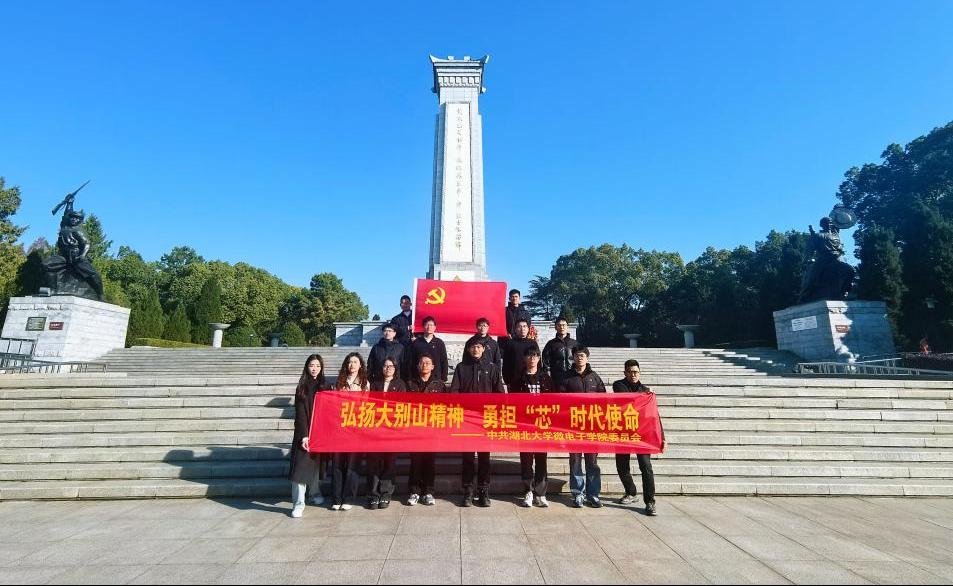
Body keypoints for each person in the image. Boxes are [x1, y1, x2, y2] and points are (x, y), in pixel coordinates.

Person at [449, 339, 505, 507]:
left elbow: (499, 393)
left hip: (485, 419)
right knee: (467, 457)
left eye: (479, 347)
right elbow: (454, 391)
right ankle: (468, 491)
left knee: (484, 458)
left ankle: (483, 491)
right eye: (472, 347)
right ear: (468, 349)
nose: (476, 349)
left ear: (483, 349)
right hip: (467, 419)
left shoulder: (492, 368)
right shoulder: (461, 368)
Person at [558, 346, 607, 508]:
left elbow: (604, 400)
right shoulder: (566, 377)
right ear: (573, 357)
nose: (580, 358)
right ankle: (578, 493)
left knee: (592, 462)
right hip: (574, 426)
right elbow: (560, 400)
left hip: (592, 426)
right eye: (577, 355)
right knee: (575, 461)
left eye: (583, 355)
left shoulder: (595, 377)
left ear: (587, 358)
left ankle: (593, 495)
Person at [612, 359, 658, 516]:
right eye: (630, 372)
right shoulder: (619, 385)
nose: (633, 374)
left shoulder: (646, 392)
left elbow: (654, 415)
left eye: (636, 372)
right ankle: (631, 492)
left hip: (642, 435)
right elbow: (626, 397)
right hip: (623, 432)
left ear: (640, 373)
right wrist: (645, 395)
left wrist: (662, 437)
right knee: (622, 465)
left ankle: (650, 502)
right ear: (625, 373)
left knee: (646, 467)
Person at [511, 346, 553, 508]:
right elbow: (513, 402)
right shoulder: (518, 379)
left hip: (542, 423)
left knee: (541, 459)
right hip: (525, 424)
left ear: (539, 358)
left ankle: (541, 493)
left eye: (535, 356)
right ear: (524, 358)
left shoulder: (546, 378)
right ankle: (528, 490)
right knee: (526, 459)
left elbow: (554, 400)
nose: (532, 359)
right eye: (529, 356)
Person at [288, 354, 330, 518]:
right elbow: (300, 414)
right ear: (307, 367)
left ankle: (314, 493)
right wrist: (304, 436)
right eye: (312, 365)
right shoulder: (302, 387)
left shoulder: (325, 385)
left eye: (318, 366)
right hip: (304, 434)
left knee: (316, 467)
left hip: (320, 434)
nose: (315, 369)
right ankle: (298, 503)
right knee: (300, 470)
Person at [329, 352, 369, 511]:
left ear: (360, 365)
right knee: (337, 464)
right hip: (339, 428)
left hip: (355, 429)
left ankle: (348, 498)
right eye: (350, 362)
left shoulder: (364, 383)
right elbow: (333, 404)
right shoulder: (339, 382)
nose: (352, 365)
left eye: (355, 362)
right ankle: (336, 498)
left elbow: (366, 406)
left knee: (353, 465)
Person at [366, 357, 406, 510]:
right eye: (385, 365)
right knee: (373, 462)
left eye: (391, 366)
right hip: (375, 428)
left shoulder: (400, 384)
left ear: (395, 369)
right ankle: (373, 494)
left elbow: (402, 405)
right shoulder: (374, 384)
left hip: (392, 429)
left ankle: (385, 493)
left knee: (389, 462)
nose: (388, 368)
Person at [406, 355, 446, 506]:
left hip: (432, 429)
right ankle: (414, 491)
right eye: (422, 363)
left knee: (430, 461)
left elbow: (446, 405)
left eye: (428, 363)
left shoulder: (439, 385)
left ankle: (428, 491)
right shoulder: (410, 384)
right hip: (415, 428)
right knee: (415, 461)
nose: (425, 365)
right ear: (418, 366)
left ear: (433, 366)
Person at [404, 316, 449, 383]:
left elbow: (444, 361)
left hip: (436, 379)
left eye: (431, 325)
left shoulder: (439, 343)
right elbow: (411, 361)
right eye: (427, 325)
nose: (429, 327)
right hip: (418, 378)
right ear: (423, 327)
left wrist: (444, 377)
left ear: (435, 327)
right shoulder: (416, 343)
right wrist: (409, 377)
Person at [501, 319, 539, 390]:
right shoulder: (510, 344)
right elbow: (506, 363)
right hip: (514, 380)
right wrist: (507, 381)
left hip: (531, 379)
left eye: (524, 326)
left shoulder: (533, 343)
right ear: (515, 329)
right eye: (519, 326)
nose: (522, 329)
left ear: (528, 329)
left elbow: (538, 361)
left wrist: (539, 377)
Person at [542, 318, 579, 388]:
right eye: (559, 325)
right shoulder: (550, 344)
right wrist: (548, 376)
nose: (562, 327)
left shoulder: (574, 343)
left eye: (564, 325)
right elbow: (546, 362)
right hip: (557, 379)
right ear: (555, 327)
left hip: (573, 377)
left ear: (567, 327)